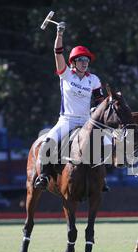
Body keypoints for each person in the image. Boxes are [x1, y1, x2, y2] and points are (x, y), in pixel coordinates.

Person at [34, 20, 110, 191]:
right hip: (66, 120)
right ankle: (44, 176)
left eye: (87, 60)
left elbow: (100, 101)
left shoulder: (94, 79)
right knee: (49, 141)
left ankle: (101, 179)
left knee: (107, 142)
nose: (85, 63)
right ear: (74, 62)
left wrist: (97, 110)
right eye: (81, 60)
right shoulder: (66, 74)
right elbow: (58, 53)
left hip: (86, 121)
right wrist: (59, 35)